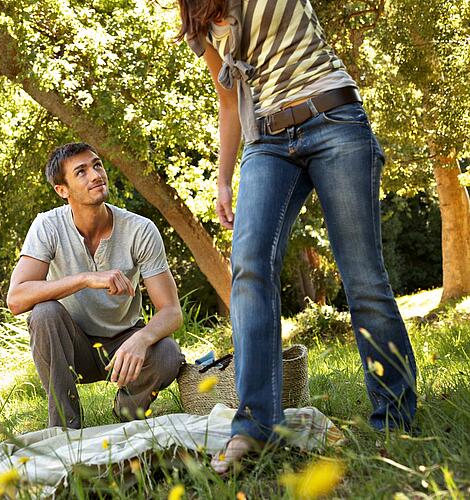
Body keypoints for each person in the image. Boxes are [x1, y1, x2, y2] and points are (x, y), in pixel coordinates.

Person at [175, 0, 418, 473]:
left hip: (333, 120)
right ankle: (255, 428)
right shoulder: (197, 18)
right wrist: (223, 180)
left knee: (363, 277)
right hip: (266, 141)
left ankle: (394, 421)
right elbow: (228, 100)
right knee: (248, 267)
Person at [7, 142, 185, 430]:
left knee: (167, 354)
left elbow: (172, 312)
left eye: (97, 165)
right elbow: (16, 299)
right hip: (73, 345)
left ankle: (126, 412)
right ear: (62, 190)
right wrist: (85, 279)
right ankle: (65, 429)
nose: (96, 175)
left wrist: (140, 340)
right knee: (44, 313)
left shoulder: (140, 230)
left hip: (124, 343)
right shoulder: (47, 226)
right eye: (81, 172)